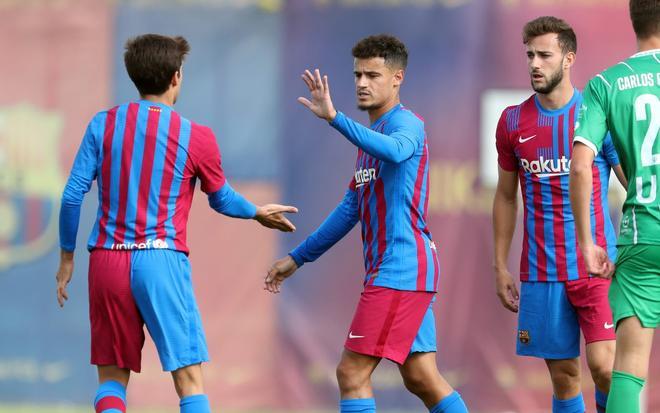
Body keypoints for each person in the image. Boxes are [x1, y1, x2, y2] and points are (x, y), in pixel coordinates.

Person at [55, 34, 297, 413]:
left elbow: (72, 196)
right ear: (176, 77)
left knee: (112, 380)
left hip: (107, 261)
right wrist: (256, 211)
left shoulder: (103, 125)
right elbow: (221, 199)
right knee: (188, 381)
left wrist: (67, 257)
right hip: (161, 260)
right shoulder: (196, 136)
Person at [264, 34, 468, 413]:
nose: (361, 83)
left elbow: (396, 151)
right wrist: (298, 258)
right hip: (403, 269)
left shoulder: (407, 124)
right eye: (357, 74)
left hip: (400, 268)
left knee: (352, 373)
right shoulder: (368, 140)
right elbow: (349, 209)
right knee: (422, 376)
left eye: (373, 74)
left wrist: (335, 119)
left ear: (397, 78)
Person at [492, 16, 626, 413]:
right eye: (530, 55)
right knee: (565, 377)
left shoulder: (596, 112)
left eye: (544, 55)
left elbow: (631, 181)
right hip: (542, 272)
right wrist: (499, 264)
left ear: (569, 58)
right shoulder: (512, 121)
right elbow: (504, 197)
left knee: (605, 368)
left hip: (598, 265)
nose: (534, 63)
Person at [569, 1, 660, 412]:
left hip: (643, 236)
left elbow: (581, 164)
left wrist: (587, 244)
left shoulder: (606, 84)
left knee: (629, 367)